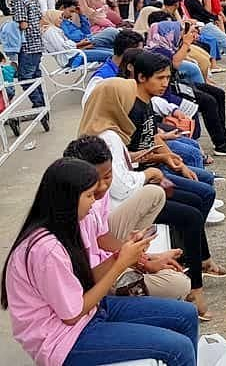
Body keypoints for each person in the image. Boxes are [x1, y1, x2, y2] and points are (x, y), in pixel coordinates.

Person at [1, 157, 199, 366]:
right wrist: (121, 264)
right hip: (65, 339)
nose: (94, 201)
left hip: (91, 311)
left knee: (187, 314)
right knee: (179, 348)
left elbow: (86, 281)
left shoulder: (66, 227)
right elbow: (72, 314)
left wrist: (120, 255)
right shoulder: (46, 250)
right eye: (88, 195)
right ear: (67, 200)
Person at [78, 78, 226, 319]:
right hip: (127, 199)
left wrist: (157, 158)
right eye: (127, 101)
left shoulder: (115, 130)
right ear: (115, 104)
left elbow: (130, 159)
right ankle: (195, 285)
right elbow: (119, 186)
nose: (132, 105)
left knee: (196, 197)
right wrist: (150, 170)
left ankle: (199, 261)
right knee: (189, 212)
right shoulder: (106, 137)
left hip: (135, 192)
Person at [63, 135, 191, 300]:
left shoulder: (92, 199)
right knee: (179, 285)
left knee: (159, 194)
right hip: (95, 278)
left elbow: (102, 237)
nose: (102, 186)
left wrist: (139, 257)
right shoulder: (75, 215)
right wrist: (142, 263)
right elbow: (84, 287)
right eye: (95, 181)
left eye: (108, 177)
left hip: (104, 262)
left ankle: (137, 266)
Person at [0, 0, 48, 129]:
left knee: (25, 77)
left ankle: (39, 105)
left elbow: (23, 25)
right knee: (35, 75)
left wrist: (9, 29)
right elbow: (40, 19)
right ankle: (42, 105)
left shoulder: (17, 1)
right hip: (37, 44)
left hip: (27, 45)